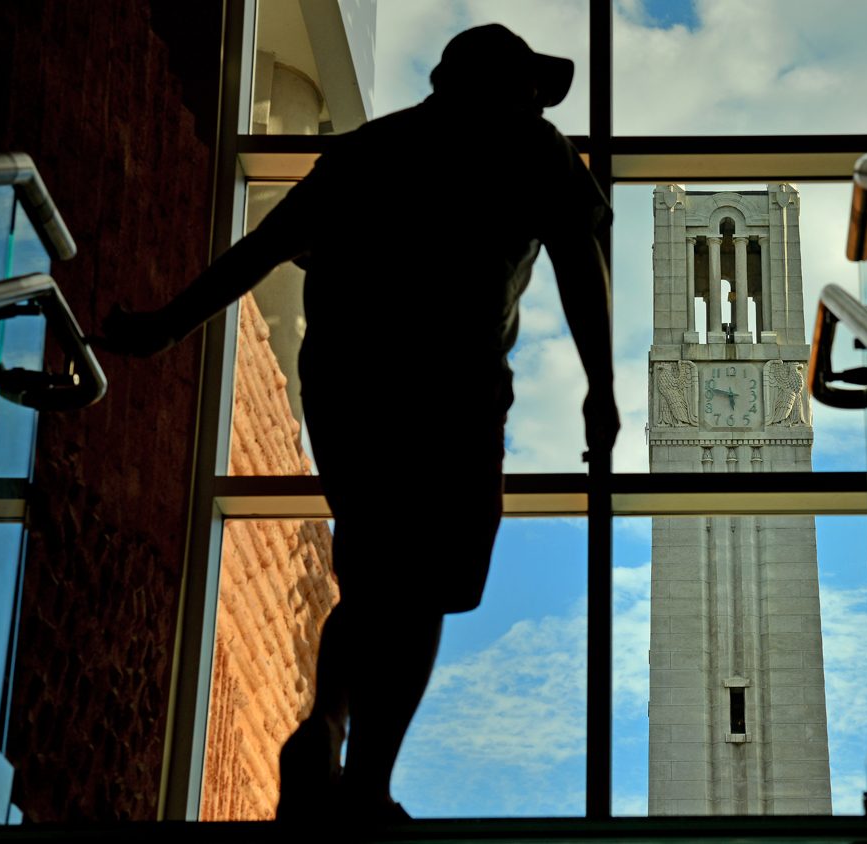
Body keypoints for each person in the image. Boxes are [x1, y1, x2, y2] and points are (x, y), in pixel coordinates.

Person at [95, 24, 618, 822]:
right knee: (424, 591)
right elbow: (581, 263)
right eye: (527, 86)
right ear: (500, 87)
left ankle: (325, 724)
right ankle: (366, 786)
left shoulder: (373, 148)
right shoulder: (531, 148)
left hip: (347, 382)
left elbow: (265, 248)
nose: (537, 101)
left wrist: (169, 323)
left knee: (371, 578)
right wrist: (600, 386)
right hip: (452, 386)